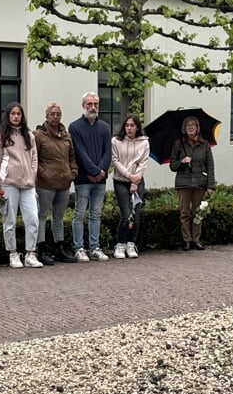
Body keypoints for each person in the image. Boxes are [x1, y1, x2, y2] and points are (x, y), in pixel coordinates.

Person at [0, 102, 41, 268]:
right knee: (9, 220)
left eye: (18, 114)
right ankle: (13, 253)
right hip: (9, 184)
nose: (16, 116)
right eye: (13, 114)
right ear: (8, 116)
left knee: (32, 219)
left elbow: (34, 159)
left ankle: (30, 254)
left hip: (28, 184)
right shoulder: (0, 137)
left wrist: (32, 176)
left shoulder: (29, 135)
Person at [69, 93, 112, 262]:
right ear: (83, 106)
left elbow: (108, 152)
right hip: (83, 179)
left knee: (96, 214)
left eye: (95, 104)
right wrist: (94, 171)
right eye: (89, 104)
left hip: (100, 180)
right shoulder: (74, 127)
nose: (93, 107)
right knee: (79, 214)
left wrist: (101, 171)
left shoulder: (105, 127)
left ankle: (95, 247)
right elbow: (80, 154)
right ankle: (79, 248)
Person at [34, 103, 75, 265]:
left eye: (58, 114)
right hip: (46, 183)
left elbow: (73, 156)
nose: (55, 117)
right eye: (52, 114)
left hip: (64, 182)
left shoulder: (66, 135)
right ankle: (41, 249)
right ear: (46, 116)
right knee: (42, 215)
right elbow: (33, 158)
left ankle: (60, 248)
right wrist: (43, 174)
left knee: (58, 217)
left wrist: (73, 173)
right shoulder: (38, 135)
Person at [170, 115, 215, 250]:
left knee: (198, 212)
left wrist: (211, 185)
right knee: (184, 212)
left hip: (199, 182)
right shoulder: (178, 144)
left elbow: (210, 166)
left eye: (193, 125)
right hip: (183, 183)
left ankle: (196, 239)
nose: (190, 127)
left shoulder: (205, 145)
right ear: (184, 129)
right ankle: (187, 240)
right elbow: (172, 166)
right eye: (187, 126)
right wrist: (181, 162)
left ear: (197, 128)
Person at [110, 114, 149, 259]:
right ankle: (120, 244)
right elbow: (115, 161)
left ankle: (131, 243)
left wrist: (135, 180)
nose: (129, 128)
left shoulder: (144, 142)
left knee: (136, 215)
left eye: (132, 125)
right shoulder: (116, 141)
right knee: (126, 214)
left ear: (137, 127)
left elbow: (143, 163)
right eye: (127, 125)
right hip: (121, 180)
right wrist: (128, 176)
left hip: (137, 181)